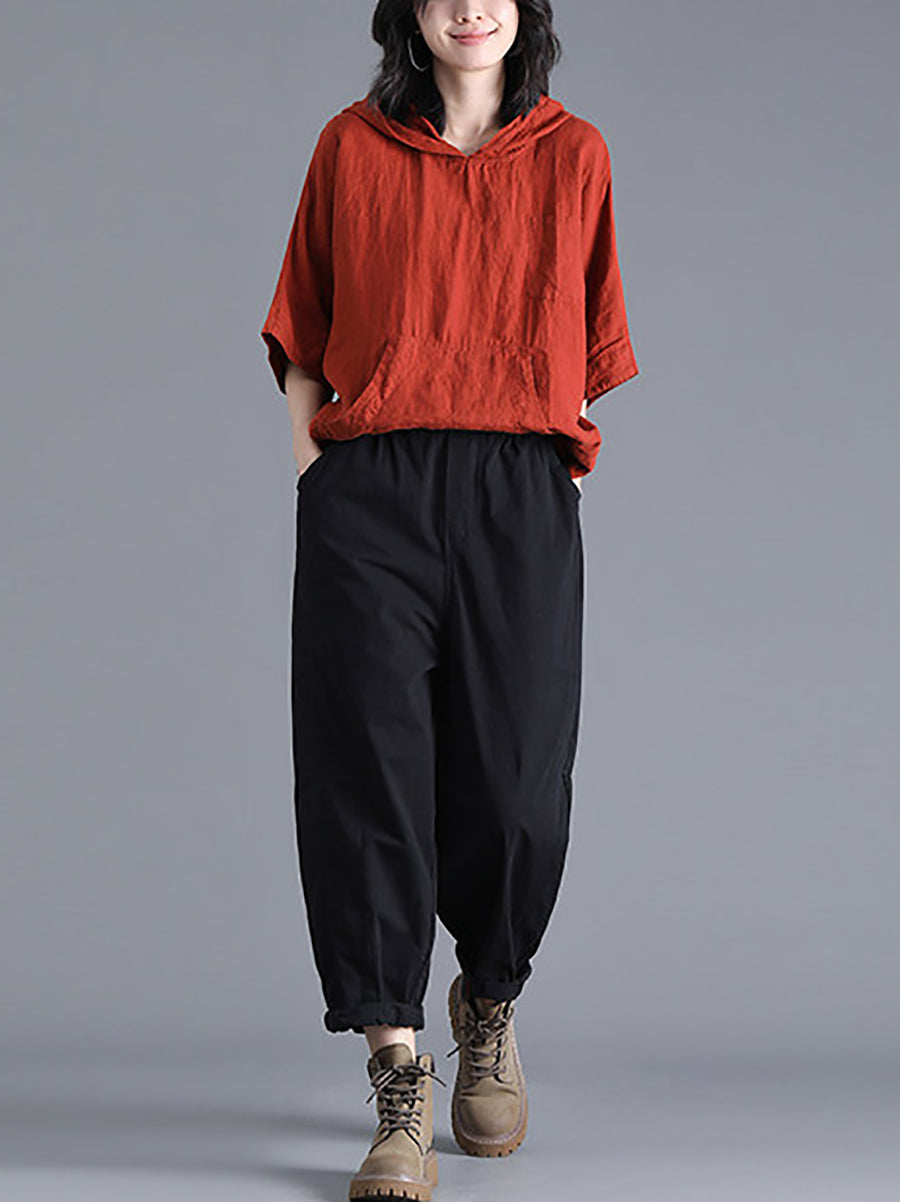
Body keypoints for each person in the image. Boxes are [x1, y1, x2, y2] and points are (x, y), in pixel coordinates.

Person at [260, 2, 638, 1197]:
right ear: (407, 11)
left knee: (518, 787)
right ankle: (398, 1077)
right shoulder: (349, 146)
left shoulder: (576, 155)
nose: (469, 6)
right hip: (370, 490)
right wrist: (319, 472)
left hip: (518, 490)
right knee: (365, 776)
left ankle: (490, 997)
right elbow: (302, 327)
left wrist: (539, 464)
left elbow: (592, 340)